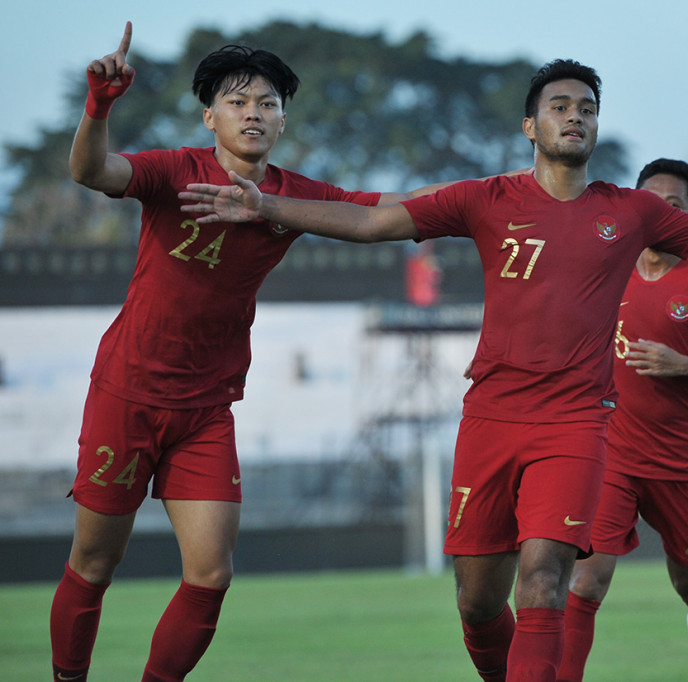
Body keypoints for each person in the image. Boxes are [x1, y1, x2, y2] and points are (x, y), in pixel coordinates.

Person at [180, 59, 688, 682]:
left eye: (587, 108)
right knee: (476, 604)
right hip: (490, 420)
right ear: (531, 127)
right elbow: (374, 223)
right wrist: (266, 205)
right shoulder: (486, 199)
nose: (576, 116)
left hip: (577, 425)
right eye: (559, 106)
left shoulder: (630, 212)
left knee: (547, 581)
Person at [50, 23, 468, 682]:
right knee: (95, 563)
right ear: (210, 115)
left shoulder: (291, 194)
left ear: (282, 120)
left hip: (206, 407)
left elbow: (387, 208)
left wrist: (493, 200)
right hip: (127, 392)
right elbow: (93, 171)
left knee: (212, 573)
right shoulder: (174, 170)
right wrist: (99, 105)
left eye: (268, 103)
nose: (254, 112)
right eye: (239, 101)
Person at [554, 158, 688, 682]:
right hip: (611, 453)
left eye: (672, 208)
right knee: (585, 583)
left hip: (679, 459)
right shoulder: (605, 268)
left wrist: (686, 365)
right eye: (648, 204)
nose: (657, 216)